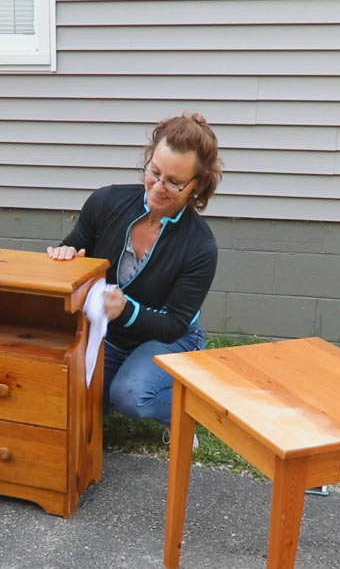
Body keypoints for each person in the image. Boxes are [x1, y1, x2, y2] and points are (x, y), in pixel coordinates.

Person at [47, 113, 222, 434]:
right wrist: (64, 254)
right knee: (73, 398)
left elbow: (173, 324)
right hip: (111, 336)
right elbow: (75, 246)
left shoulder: (200, 246)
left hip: (171, 337)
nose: (158, 186)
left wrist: (125, 310)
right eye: (154, 172)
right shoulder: (106, 202)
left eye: (174, 182)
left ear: (196, 185)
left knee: (131, 397)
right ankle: (123, 380)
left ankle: (191, 409)